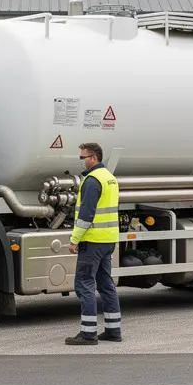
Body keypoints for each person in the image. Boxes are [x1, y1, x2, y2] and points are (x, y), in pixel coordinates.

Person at [65, 142, 123, 345]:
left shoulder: (91, 180)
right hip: (108, 240)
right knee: (106, 284)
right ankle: (113, 331)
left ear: (94, 158)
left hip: (92, 240)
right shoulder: (110, 178)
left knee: (84, 284)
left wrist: (74, 240)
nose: (81, 161)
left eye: (83, 158)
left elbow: (86, 216)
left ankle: (88, 333)